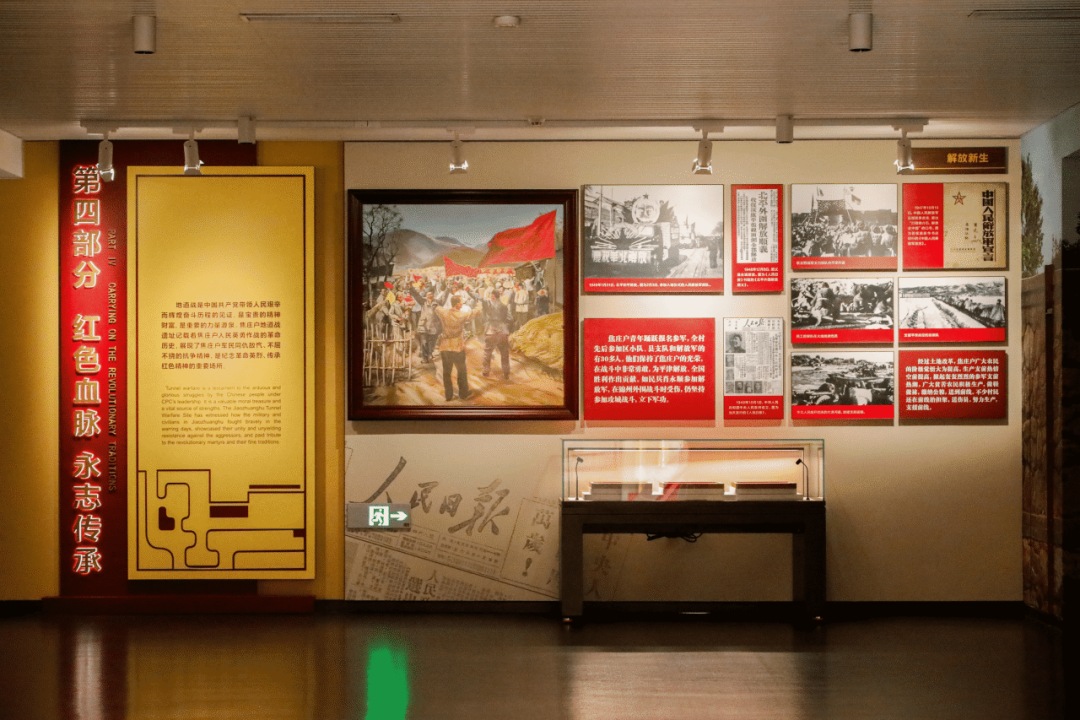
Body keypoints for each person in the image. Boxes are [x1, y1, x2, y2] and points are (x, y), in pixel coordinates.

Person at [434, 295, 482, 401]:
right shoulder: (461, 315)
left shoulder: (444, 312)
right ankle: (463, 393)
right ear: (458, 305)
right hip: (457, 347)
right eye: (461, 302)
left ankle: (448, 395)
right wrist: (479, 305)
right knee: (461, 371)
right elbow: (475, 312)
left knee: (446, 372)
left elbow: (436, 307)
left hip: (445, 346)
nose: (462, 304)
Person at [481, 286, 513, 380]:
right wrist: (505, 325)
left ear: (493, 296)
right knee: (504, 353)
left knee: (487, 352)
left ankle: (486, 371)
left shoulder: (489, 306)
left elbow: (483, 317)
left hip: (491, 331)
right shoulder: (504, 306)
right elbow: (510, 318)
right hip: (502, 331)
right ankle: (506, 372)